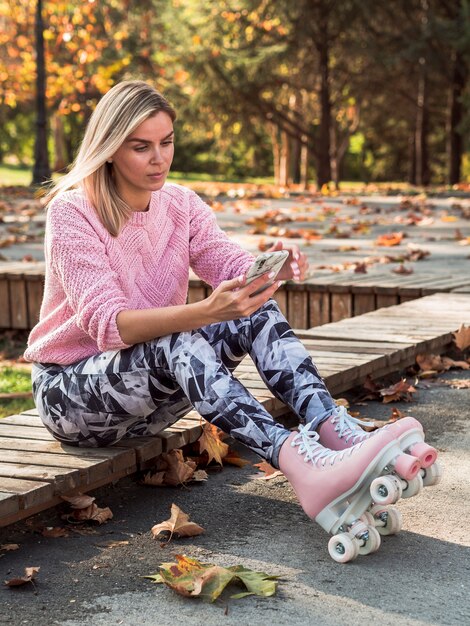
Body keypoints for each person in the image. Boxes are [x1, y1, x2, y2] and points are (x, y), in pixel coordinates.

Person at [24, 81, 436, 558]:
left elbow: (227, 265)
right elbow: (108, 326)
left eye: (167, 141)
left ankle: (330, 427)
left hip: (146, 397)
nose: (159, 158)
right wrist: (203, 312)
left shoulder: (179, 204)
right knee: (179, 341)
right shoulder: (74, 212)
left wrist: (268, 267)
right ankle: (299, 465)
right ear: (110, 148)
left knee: (255, 313)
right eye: (142, 147)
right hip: (72, 398)